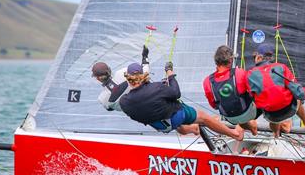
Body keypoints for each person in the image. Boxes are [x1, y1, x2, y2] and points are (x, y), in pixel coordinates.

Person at [92, 51, 243, 141]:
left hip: (160, 126)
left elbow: (113, 107)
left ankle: (193, 130)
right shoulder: (157, 88)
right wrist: (170, 75)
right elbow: (176, 93)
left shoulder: (123, 102)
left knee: (176, 123)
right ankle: (235, 134)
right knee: (204, 117)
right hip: (174, 117)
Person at [246, 43, 305, 137]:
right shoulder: (281, 67)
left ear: (258, 58)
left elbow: (248, 97)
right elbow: (299, 92)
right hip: (289, 110)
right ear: (271, 58)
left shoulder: (250, 74)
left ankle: (275, 133)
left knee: (268, 106)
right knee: (296, 96)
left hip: (271, 116)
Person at [204, 45, 260, 135]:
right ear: (230, 60)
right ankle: (276, 121)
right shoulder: (239, 72)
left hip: (230, 118)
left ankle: (249, 126)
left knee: (238, 115)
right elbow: (254, 92)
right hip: (248, 112)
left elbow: (214, 106)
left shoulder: (207, 81)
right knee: (263, 95)